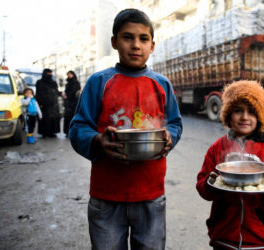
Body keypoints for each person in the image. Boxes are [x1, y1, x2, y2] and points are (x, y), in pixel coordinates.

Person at [69, 9, 182, 250]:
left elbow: (174, 123)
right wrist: (98, 140)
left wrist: (170, 136)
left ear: (152, 45)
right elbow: (78, 127)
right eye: (127, 37)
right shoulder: (98, 83)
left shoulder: (162, 84)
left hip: (151, 194)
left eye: (143, 39)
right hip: (106, 195)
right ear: (114, 42)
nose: (135, 45)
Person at [196, 80, 264, 250]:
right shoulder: (217, 148)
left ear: (260, 116)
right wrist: (211, 182)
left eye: (252, 112)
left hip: (258, 238)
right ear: (227, 114)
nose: (245, 117)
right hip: (223, 236)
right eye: (238, 110)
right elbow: (202, 187)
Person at [35, 68, 61, 138]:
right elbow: (38, 93)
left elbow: (56, 92)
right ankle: (44, 132)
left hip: (53, 104)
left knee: (53, 118)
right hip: (44, 104)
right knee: (45, 119)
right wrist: (40, 102)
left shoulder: (53, 82)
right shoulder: (39, 82)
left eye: (51, 73)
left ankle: (52, 132)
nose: (50, 75)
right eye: (48, 73)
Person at [62, 70, 81, 137]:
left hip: (74, 102)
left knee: (74, 117)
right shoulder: (67, 84)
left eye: (70, 74)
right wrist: (64, 94)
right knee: (67, 117)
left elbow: (77, 93)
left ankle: (74, 132)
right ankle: (67, 131)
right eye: (68, 74)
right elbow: (66, 91)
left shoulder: (76, 83)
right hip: (68, 103)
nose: (69, 76)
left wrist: (69, 95)